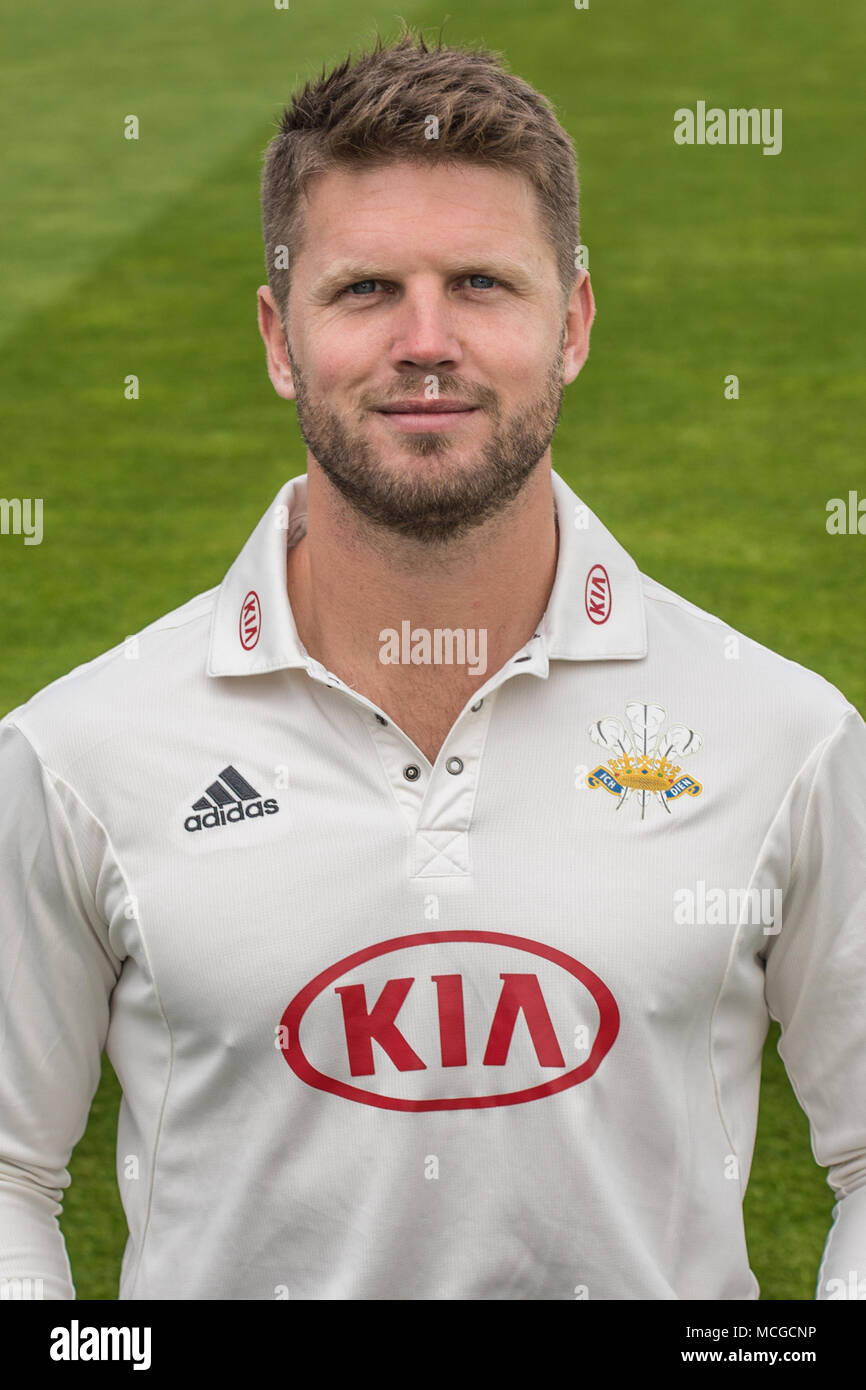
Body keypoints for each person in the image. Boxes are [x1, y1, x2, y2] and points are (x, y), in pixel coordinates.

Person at [1, 29, 864, 1302]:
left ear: (569, 321)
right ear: (277, 336)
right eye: (362, 291)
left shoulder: (781, 737)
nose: (423, 341)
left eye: (479, 284)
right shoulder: (78, 755)